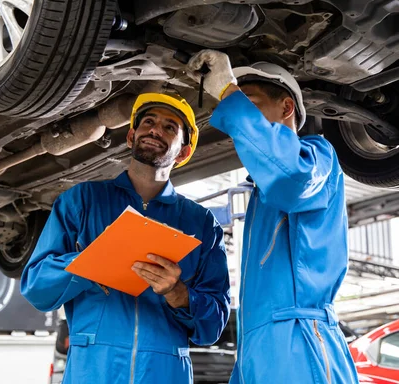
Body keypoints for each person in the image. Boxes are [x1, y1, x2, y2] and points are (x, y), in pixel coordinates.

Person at [20, 92, 231, 384]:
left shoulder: (201, 223)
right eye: (148, 122)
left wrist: (179, 294)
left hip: (165, 374)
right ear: (131, 136)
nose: (155, 129)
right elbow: (36, 288)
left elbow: (213, 327)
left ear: (183, 152)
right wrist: (88, 263)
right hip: (93, 372)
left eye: (170, 127)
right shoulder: (82, 201)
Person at [187, 50, 359, 384]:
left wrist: (227, 91)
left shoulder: (317, 156)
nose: (240, 117)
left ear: (286, 107)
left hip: (300, 342)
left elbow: (291, 179)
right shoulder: (260, 195)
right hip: (256, 348)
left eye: (249, 103)